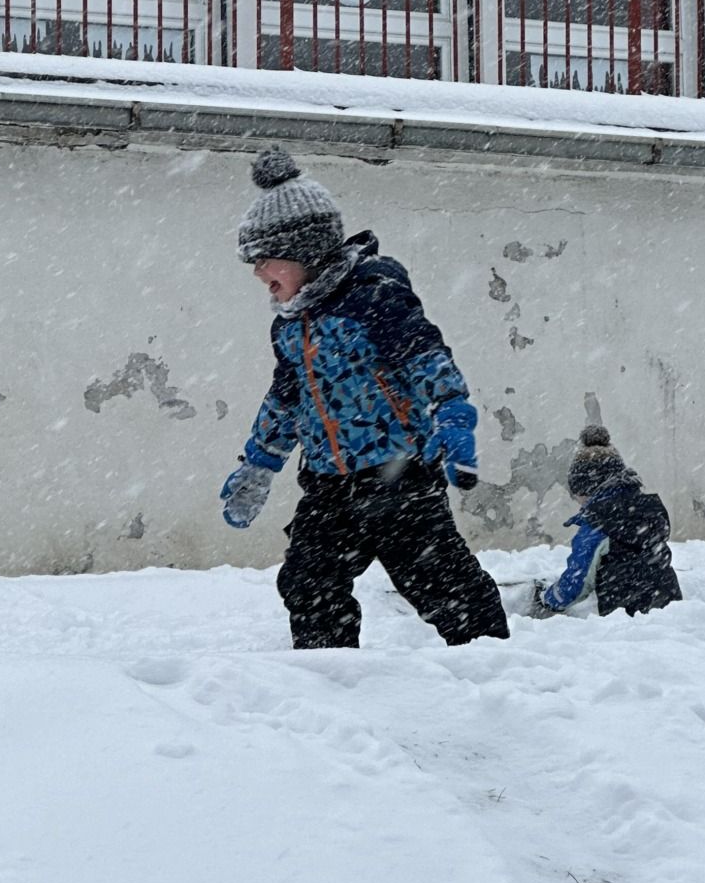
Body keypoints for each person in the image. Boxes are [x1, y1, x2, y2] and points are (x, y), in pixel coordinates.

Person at [219, 148, 510, 651]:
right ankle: (330, 672)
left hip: (398, 473)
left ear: (306, 252)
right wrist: (259, 463)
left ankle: (492, 661)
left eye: (266, 260)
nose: (258, 273)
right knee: (308, 581)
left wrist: (452, 414)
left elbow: (426, 357)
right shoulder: (289, 327)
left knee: (439, 581)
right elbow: (286, 400)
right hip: (328, 483)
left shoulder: (373, 297)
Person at [531, 425, 682, 619]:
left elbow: (577, 583)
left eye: (576, 493)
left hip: (625, 614)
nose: (576, 500)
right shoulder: (645, 510)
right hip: (670, 607)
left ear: (587, 489)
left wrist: (546, 598)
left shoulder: (599, 524)